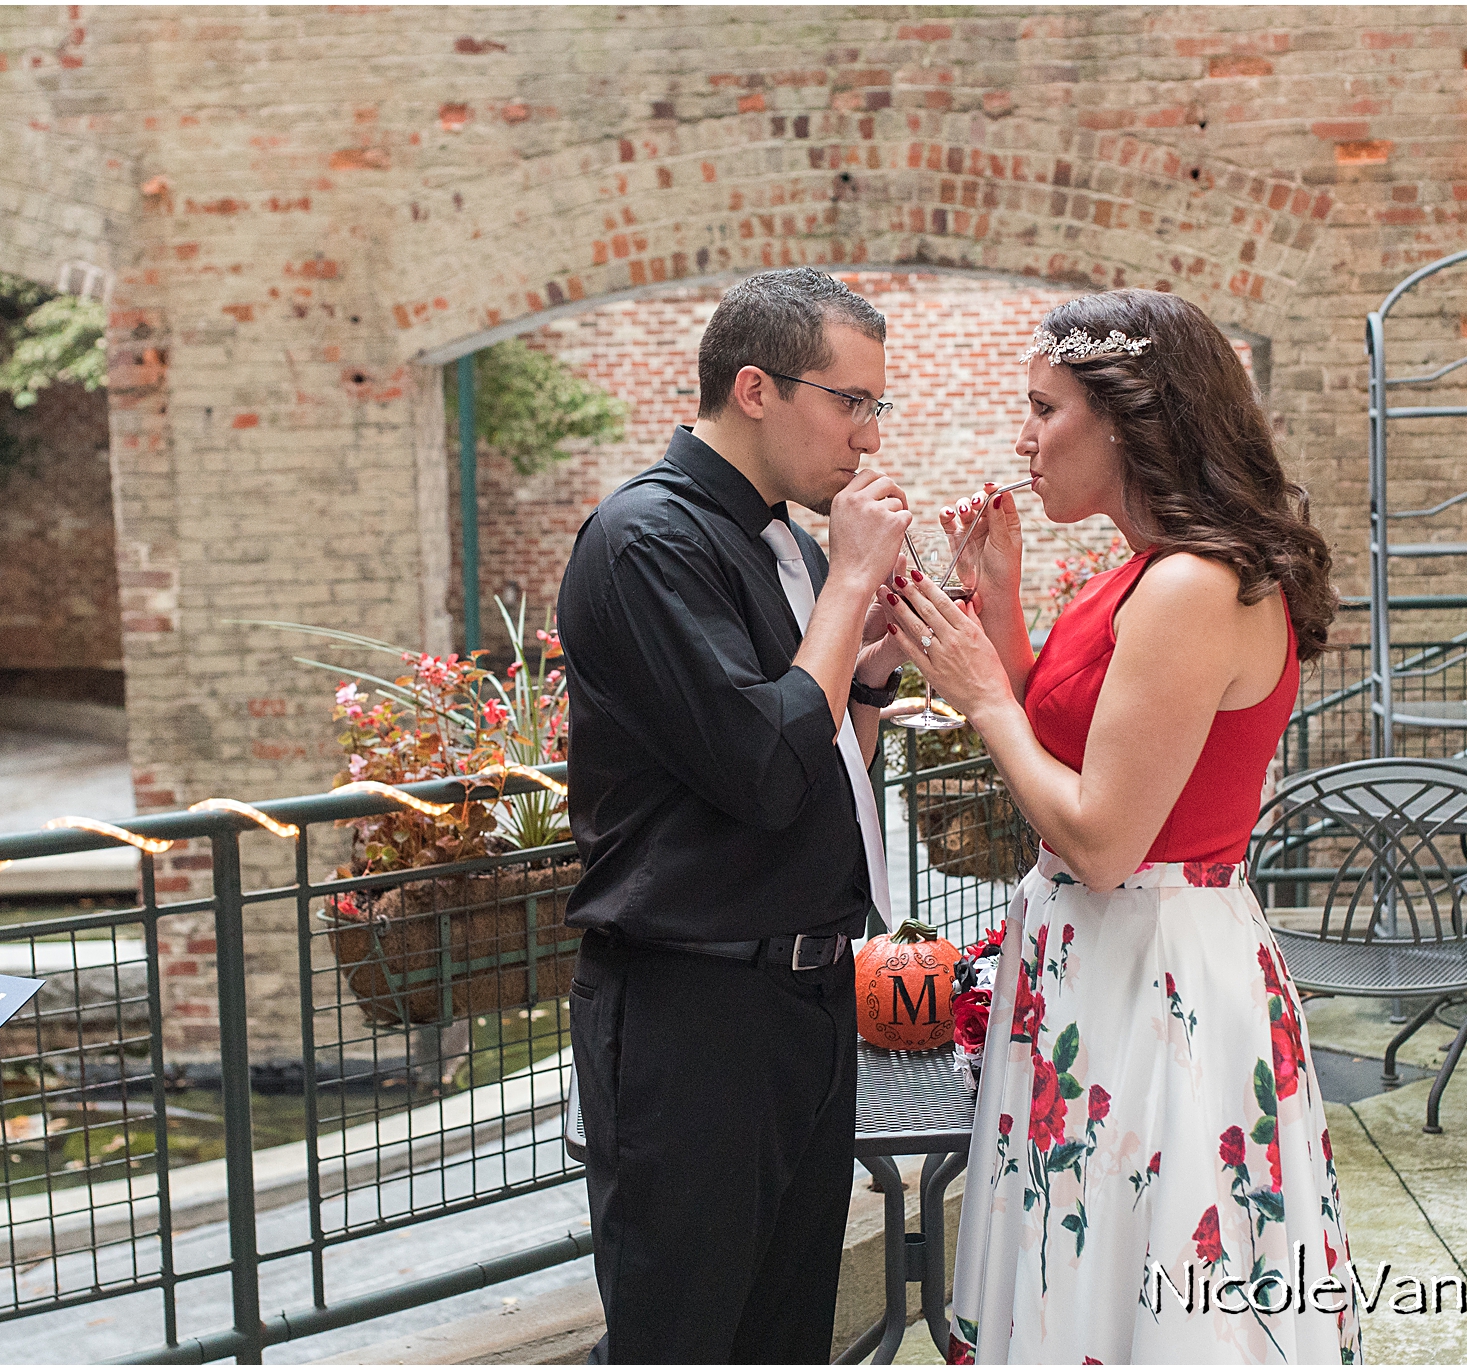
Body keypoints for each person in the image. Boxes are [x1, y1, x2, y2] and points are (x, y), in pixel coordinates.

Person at [888, 289, 1362, 1363]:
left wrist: (983, 699)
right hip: (1092, 967)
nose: (1020, 436)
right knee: (1085, 1260)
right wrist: (999, 613)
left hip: (1152, 975)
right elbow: (1067, 756)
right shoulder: (1135, 576)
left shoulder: (1191, 587)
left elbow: (1102, 842)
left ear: (1127, 418)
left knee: (1151, 1262)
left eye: (1042, 408)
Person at [555, 268, 914, 1363]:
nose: (865, 437)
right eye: (849, 401)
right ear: (753, 387)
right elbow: (758, 763)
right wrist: (850, 587)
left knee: (786, 1334)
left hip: (805, 999)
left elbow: (816, 783)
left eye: (874, 407)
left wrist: (865, 679)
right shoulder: (644, 541)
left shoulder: (789, 548)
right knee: (685, 1338)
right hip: (689, 1009)